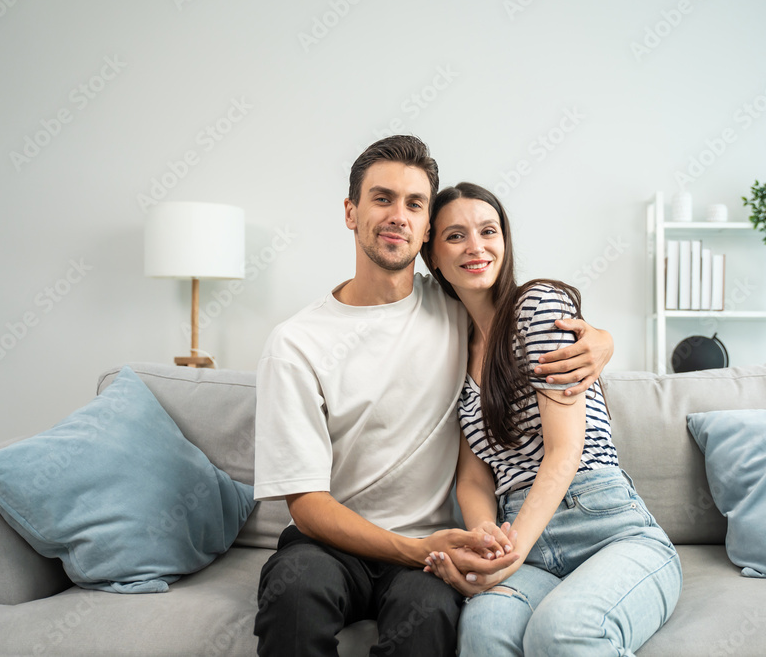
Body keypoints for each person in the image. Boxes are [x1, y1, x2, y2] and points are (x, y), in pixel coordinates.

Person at [252, 135, 615, 657]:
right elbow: (306, 505)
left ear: (426, 232)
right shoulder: (295, 343)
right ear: (351, 212)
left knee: (429, 621)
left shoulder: (457, 309)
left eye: (415, 204)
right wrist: (413, 546)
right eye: (382, 199)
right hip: (330, 545)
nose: (398, 214)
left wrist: (601, 342)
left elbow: (528, 323)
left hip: (430, 553)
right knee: (295, 597)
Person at [421, 182, 682, 656]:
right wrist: (486, 542)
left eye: (488, 230)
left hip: (605, 526)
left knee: (559, 631)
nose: (476, 246)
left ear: (505, 241)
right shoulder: (452, 352)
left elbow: (565, 452)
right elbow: (475, 478)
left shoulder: (538, 306)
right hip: (525, 541)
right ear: (433, 256)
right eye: (456, 236)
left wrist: (511, 549)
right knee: (482, 629)